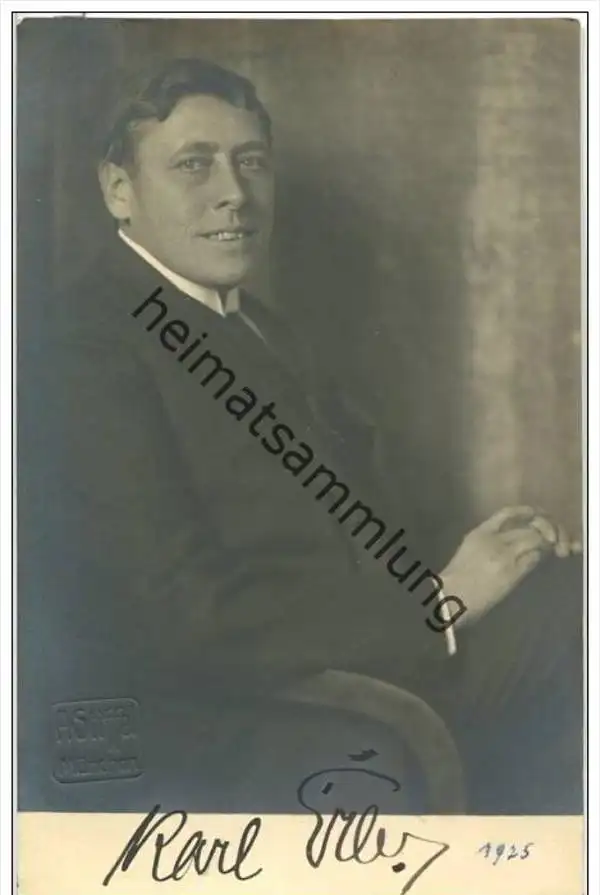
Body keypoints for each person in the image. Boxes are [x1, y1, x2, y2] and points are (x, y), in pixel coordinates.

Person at [19, 58, 582, 815]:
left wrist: (495, 554)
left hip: (342, 659)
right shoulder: (81, 347)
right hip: (211, 709)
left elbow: (356, 515)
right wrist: (442, 605)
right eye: (193, 164)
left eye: (251, 161)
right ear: (119, 189)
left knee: (565, 595)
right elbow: (181, 616)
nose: (234, 193)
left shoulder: (253, 325)